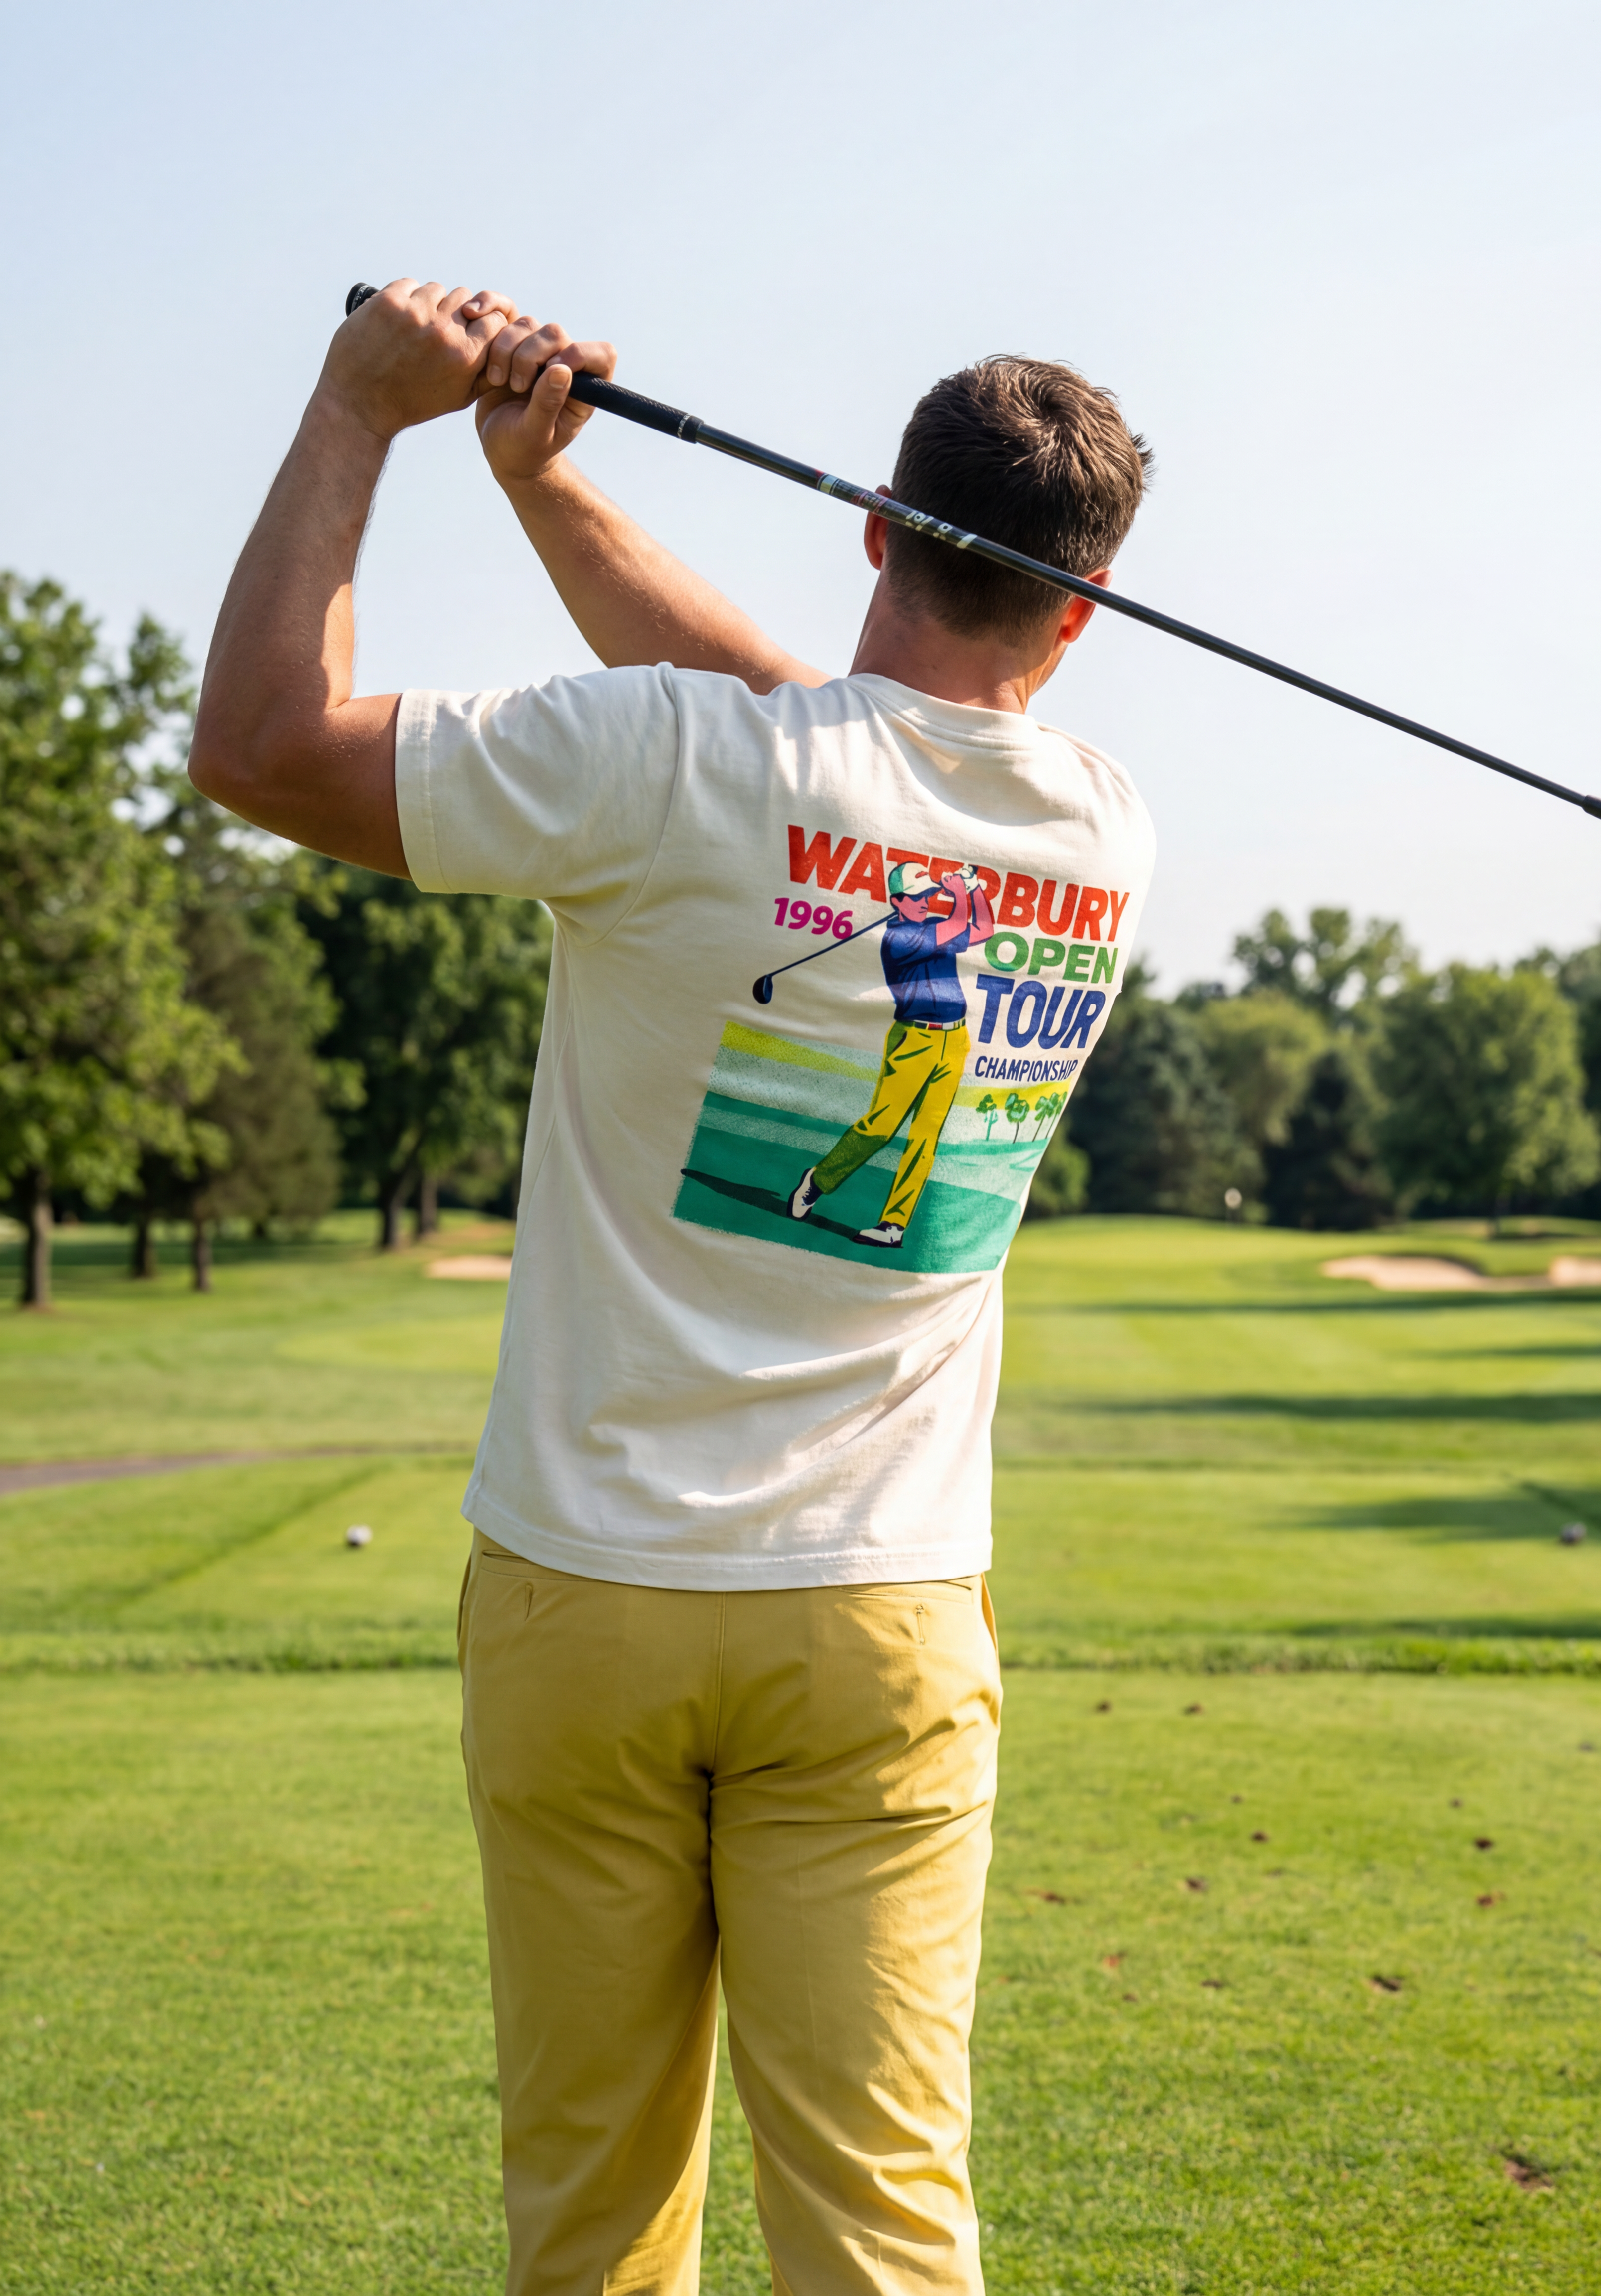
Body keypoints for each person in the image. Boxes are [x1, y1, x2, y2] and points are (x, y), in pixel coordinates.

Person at [190, 278, 1156, 2296]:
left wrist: (364, 412)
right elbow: (822, 727)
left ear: (876, 525)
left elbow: (263, 747)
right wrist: (551, 491)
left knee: (596, 2225)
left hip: (585, 1597)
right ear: (1081, 612)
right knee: (884, 2230)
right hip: (879, 1624)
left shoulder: (662, 767)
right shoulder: (1096, 830)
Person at [789, 858, 995, 1248]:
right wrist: (961, 894)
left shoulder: (935, 927)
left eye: (927, 895)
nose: (924, 901)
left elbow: (983, 928)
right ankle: (817, 1182)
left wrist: (976, 891)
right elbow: (957, 924)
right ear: (897, 902)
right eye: (916, 897)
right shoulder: (899, 940)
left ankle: (893, 1226)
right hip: (913, 1041)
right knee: (881, 1127)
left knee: (925, 1138)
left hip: (955, 1041)